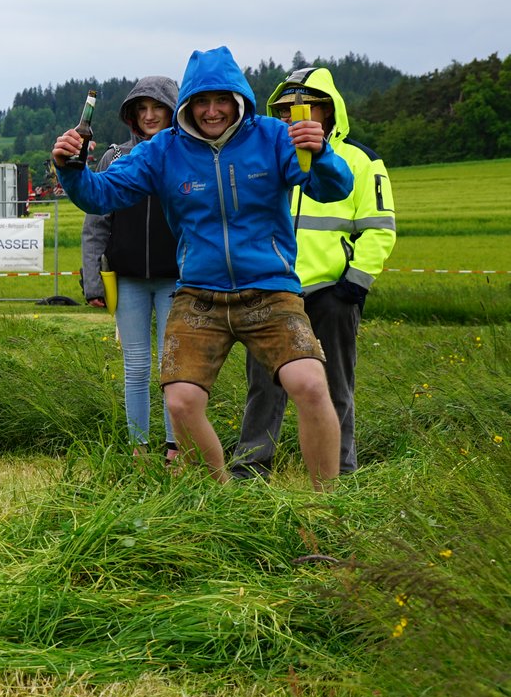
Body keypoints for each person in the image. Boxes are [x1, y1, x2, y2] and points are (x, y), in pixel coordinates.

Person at [53, 46, 353, 489]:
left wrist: (321, 153)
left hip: (270, 289)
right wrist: (71, 168)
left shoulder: (273, 136)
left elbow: (333, 188)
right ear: (188, 104)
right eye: (202, 101)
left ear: (239, 99)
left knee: (309, 383)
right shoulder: (164, 150)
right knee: (181, 401)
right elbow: (100, 196)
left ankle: (327, 507)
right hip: (198, 293)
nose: (212, 111)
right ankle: (222, 498)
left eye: (222, 100)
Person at [234, 66, 397, 478]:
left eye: (304, 105)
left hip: (332, 292)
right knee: (263, 386)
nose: (293, 114)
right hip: (272, 289)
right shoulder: (270, 155)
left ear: (328, 110)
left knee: (335, 385)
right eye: (284, 108)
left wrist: (354, 284)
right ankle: (251, 471)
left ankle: (340, 471)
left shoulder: (361, 160)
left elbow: (380, 229)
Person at [77, 75, 182, 459]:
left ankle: (175, 449)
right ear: (132, 115)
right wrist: (93, 283)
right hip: (128, 281)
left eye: (158, 108)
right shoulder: (115, 159)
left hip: (177, 281)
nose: (149, 115)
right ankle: (139, 450)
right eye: (142, 109)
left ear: (173, 111)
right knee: (136, 366)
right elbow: (96, 224)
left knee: (174, 366)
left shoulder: (187, 156)